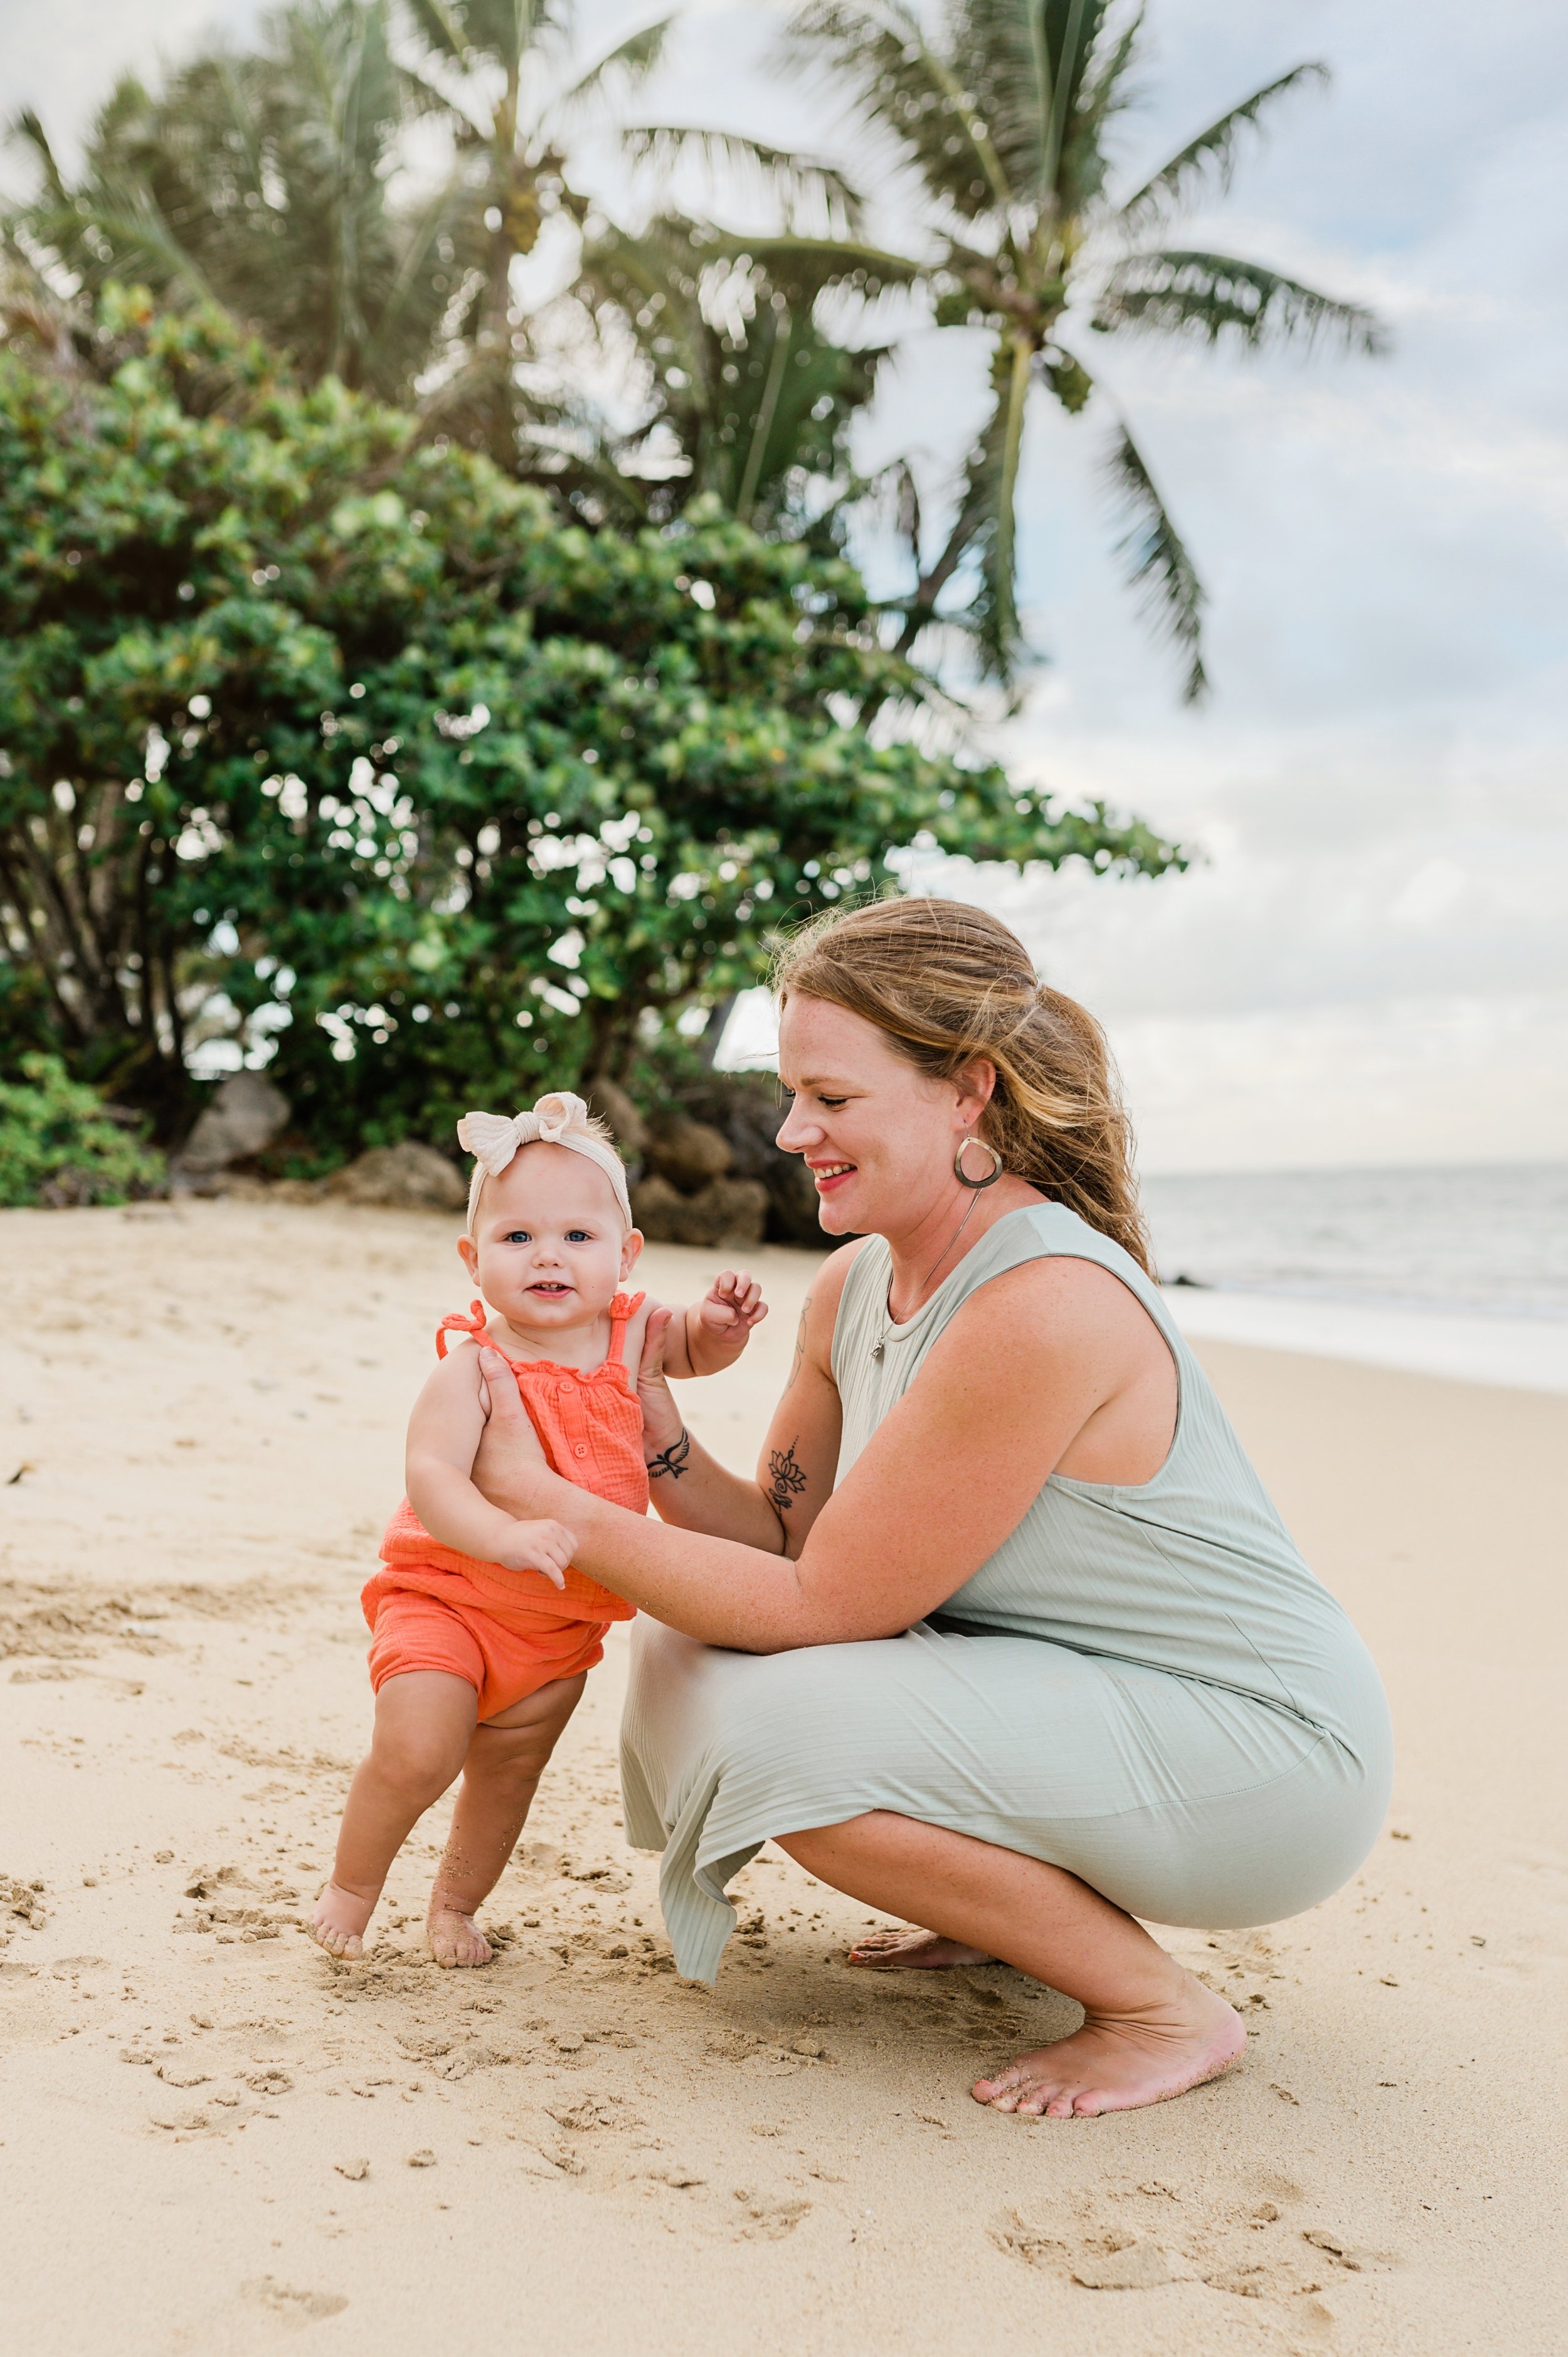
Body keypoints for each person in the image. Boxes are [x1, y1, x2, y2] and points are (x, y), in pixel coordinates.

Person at [465, 904, 1395, 2118]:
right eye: (792, 1093)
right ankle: (1009, 1909)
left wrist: (551, 1510)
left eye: (832, 1100)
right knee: (683, 1640)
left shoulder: (1039, 1298)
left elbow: (824, 1604)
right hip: (1077, 1683)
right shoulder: (853, 1283)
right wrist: (657, 1435)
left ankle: (1161, 2009)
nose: (795, 1131)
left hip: (1266, 1752)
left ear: (967, 1093)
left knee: (784, 1738)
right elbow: (786, 1542)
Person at [309, 1091, 766, 1967]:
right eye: (517, 1238)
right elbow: (433, 1476)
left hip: (559, 1622)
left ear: (625, 1254)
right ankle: (354, 1886)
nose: (548, 1256)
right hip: (450, 1597)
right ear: (472, 1258)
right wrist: (499, 1535)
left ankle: (454, 1905)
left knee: (509, 1774)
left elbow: (699, 1356)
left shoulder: (635, 1335)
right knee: (419, 1747)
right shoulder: (475, 1362)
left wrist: (722, 1324)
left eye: (577, 1238)